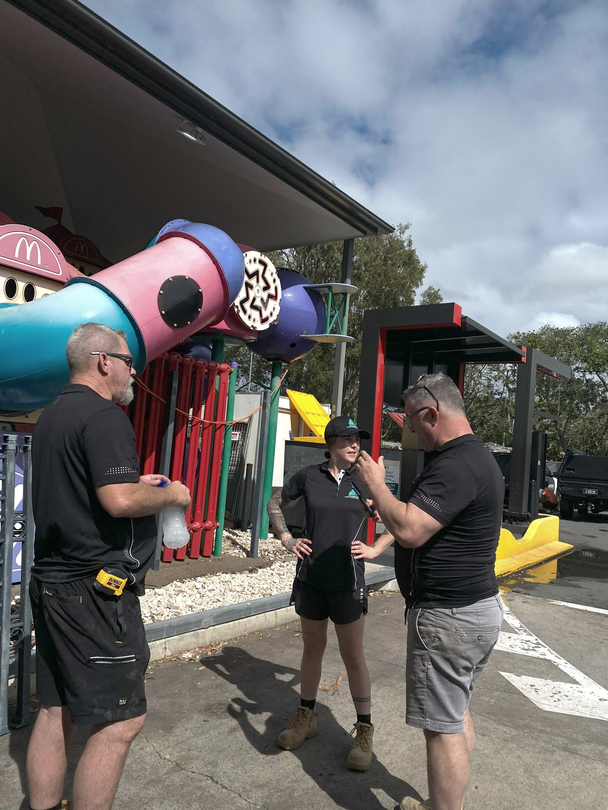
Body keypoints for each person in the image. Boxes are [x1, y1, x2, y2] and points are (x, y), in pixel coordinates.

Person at [27, 322, 191, 810]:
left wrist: (140, 483)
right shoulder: (104, 416)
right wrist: (172, 494)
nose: (133, 373)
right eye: (128, 363)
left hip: (51, 582)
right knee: (120, 721)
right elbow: (118, 500)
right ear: (103, 361)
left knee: (55, 709)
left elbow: (88, 489)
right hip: (94, 594)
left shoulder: (52, 415)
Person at [356, 373, 504, 810]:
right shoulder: (475, 458)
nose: (411, 430)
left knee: (441, 729)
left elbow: (410, 530)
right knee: (455, 713)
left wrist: (376, 483)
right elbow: (418, 518)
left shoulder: (455, 465)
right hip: (473, 610)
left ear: (432, 413)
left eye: (412, 421)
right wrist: (386, 505)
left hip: (448, 618)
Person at [267, 415, 394, 772]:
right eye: (347, 438)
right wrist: (287, 538)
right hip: (311, 579)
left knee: (353, 657)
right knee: (312, 649)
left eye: (358, 439)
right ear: (330, 443)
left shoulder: (364, 481)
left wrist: (375, 548)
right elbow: (274, 504)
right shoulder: (309, 476)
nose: (355, 444)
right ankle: (306, 716)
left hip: (348, 584)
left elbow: (396, 520)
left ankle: (364, 730)